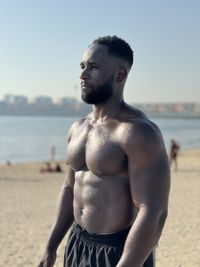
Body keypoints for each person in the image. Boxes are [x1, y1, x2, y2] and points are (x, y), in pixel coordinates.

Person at [38, 35, 170, 267]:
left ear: (120, 75)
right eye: (82, 66)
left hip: (120, 251)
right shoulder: (77, 128)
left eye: (94, 67)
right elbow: (70, 188)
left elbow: (154, 211)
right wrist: (50, 246)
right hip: (77, 243)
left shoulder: (137, 132)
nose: (83, 74)